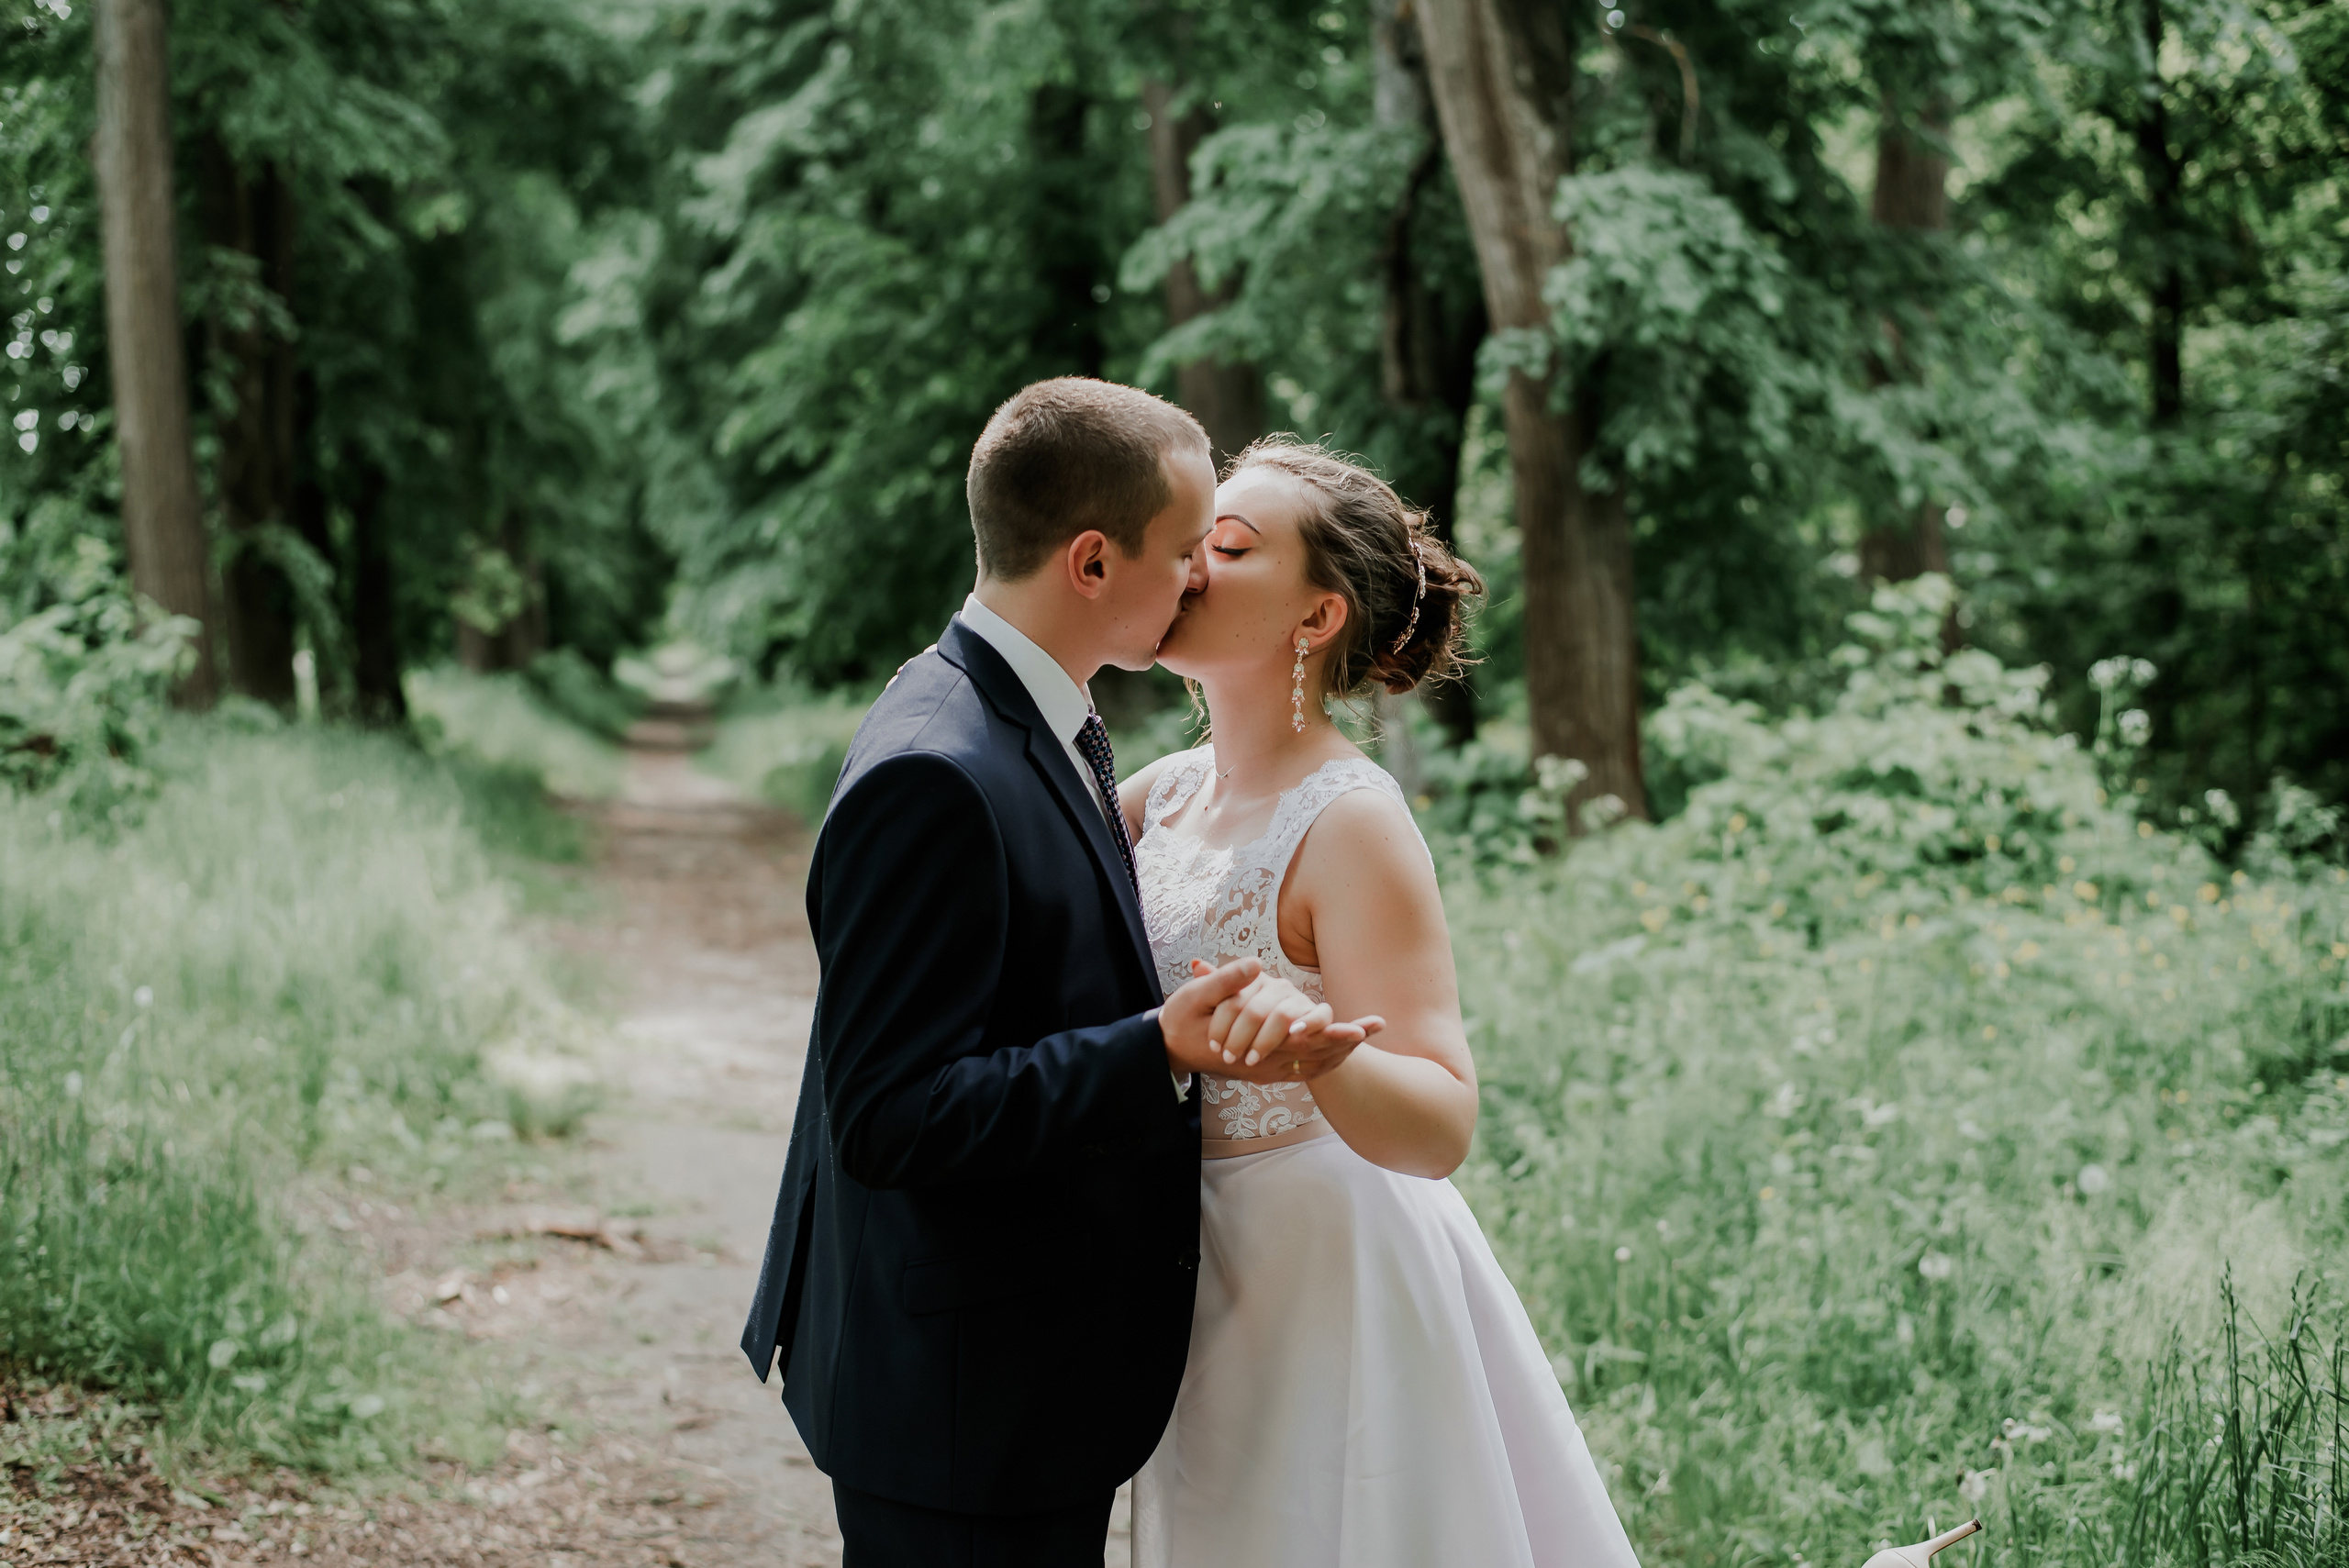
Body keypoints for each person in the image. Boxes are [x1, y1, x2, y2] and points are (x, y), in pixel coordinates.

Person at [739, 381, 1377, 1568]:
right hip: (960, 1403)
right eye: (1187, 549)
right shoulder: (939, 767)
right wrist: (1158, 1049)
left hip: (1011, 1381)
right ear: (1093, 561)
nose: (1199, 578)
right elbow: (887, 1114)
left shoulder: (1033, 718)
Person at [1122, 439, 1642, 1568]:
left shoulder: (1350, 818)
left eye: (1230, 544)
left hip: (1328, 1272)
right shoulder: (1155, 796)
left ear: (1313, 619)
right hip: (1189, 1257)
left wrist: (1321, 1056)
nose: (1191, 563)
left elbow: (1443, 1116)